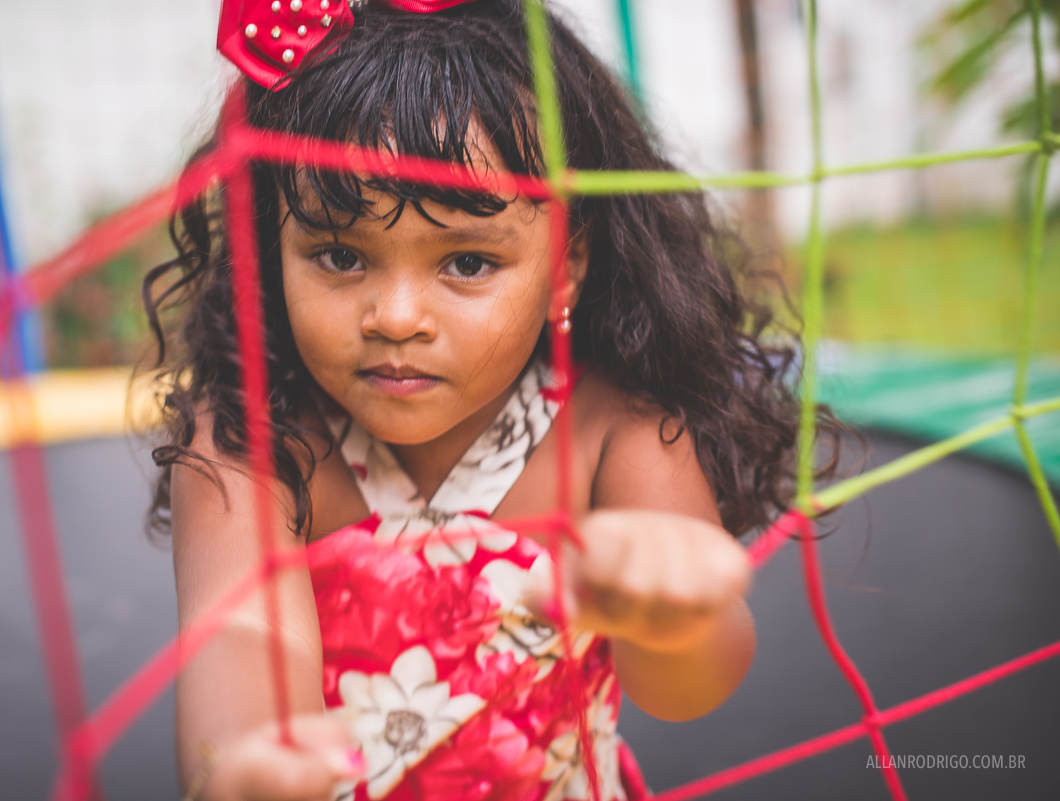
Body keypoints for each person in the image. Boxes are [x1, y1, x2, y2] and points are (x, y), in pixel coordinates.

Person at [143, 1, 835, 799]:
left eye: (467, 263)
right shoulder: (249, 443)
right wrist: (246, 753)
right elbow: (242, 631)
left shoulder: (618, 430)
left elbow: (687, 691)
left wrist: (676, 616)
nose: (396, 316)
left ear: (565, 264)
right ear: (272, 244)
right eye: (338, 254)